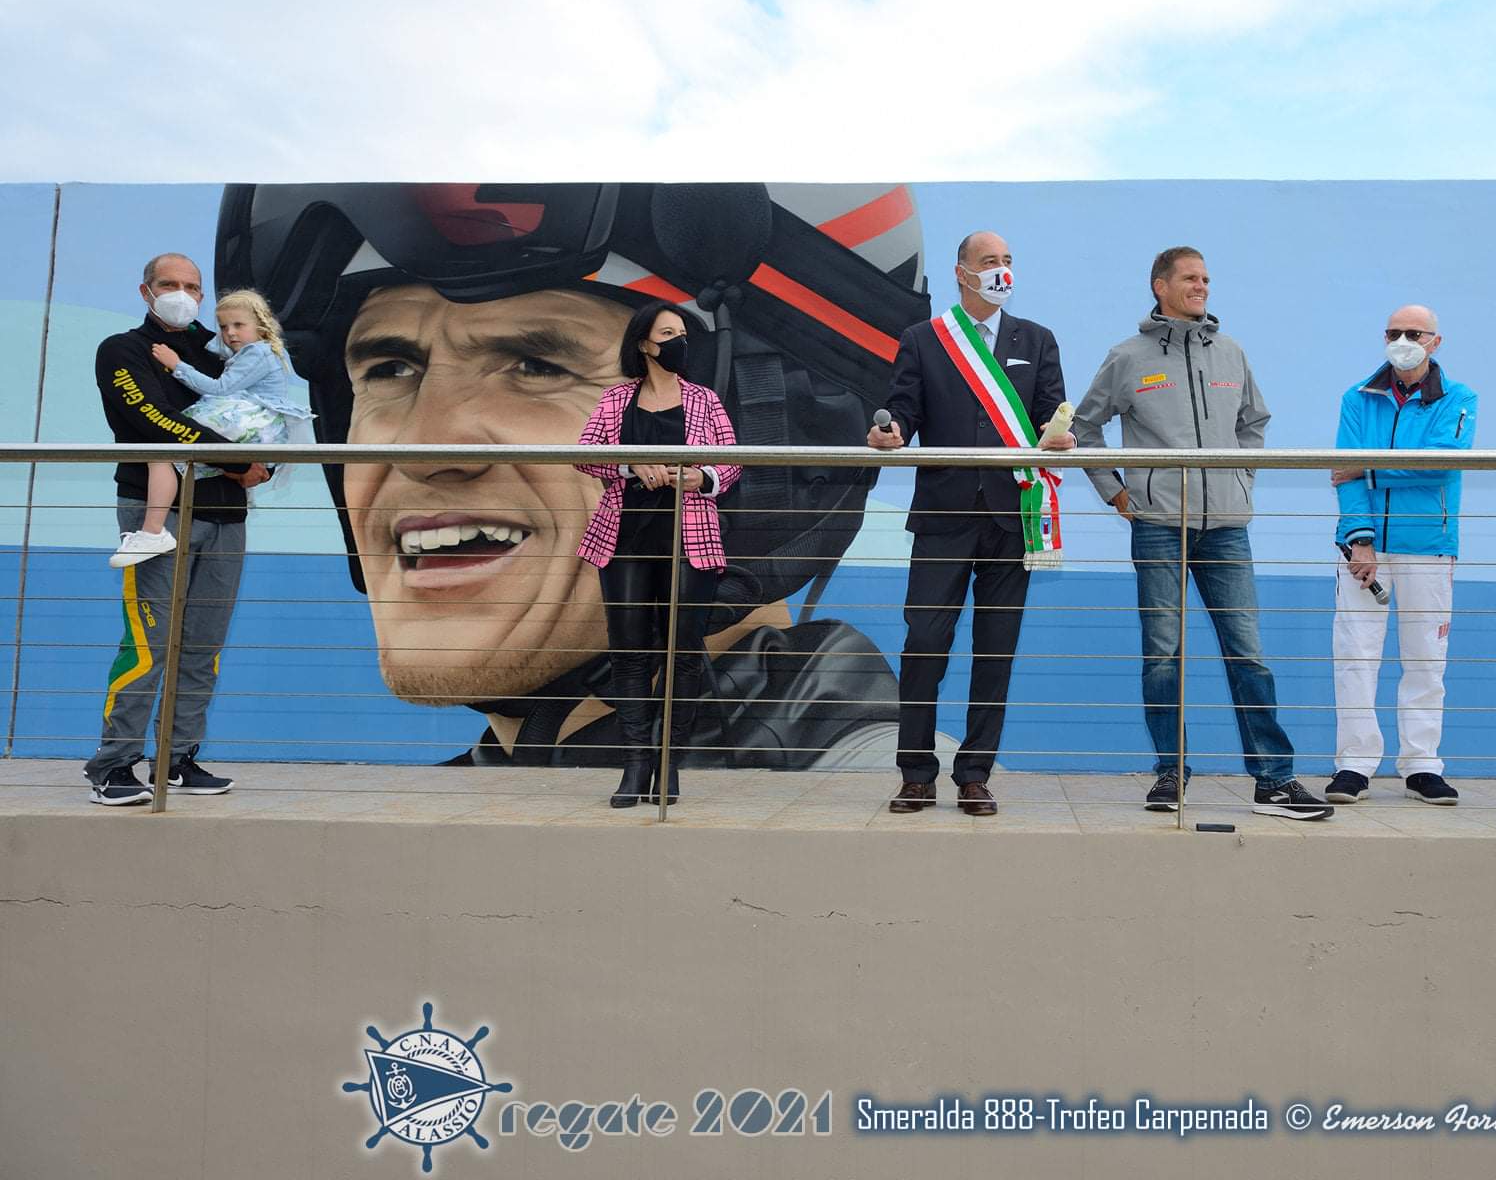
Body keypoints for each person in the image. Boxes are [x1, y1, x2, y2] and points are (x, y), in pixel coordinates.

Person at [219, 182, 931, 768]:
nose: (421, 449)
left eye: (536, 366)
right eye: (390, 369)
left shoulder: (865, 810)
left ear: (796, 442)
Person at [1072, 246, 1333, 820]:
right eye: (1191, 278)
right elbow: (1085, 428)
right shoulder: (1128, 357)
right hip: (1159, 526)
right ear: (1160, 286)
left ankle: (1274, 781)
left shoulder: (1231, 352)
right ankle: (1172, 772)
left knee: (1249, 655)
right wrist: (1114, 490)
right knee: (1163, 656)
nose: (1202, 287)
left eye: (1207, 279)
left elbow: (1254, 422)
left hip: (1227, 530)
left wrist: (1240, 478)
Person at [867, 231, 1070, 816]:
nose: (1001, 271)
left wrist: (1058, 436)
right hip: (943, 513)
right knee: (925, 641)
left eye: (1007, 261)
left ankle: (975, 773)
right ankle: (915, 773)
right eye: (989, 262)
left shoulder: (1037, 339)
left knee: (996, 649)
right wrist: (890, 431)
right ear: (962, 273)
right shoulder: (924, 339)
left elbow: (1049, 412)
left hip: (1012, 514)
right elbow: (904, 408)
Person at [85, 253, 269, 805]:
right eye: (169, 284)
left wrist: (266, 459)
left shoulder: (222, 349)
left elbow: (266, 406)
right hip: (155, 512)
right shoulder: (122, 350)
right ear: (146, 291)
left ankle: (177, 758)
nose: (181, 294)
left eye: (192, 286)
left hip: (226, 513)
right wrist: (238, 461)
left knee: (203, 647)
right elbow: (153, 422)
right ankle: (114, 766)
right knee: (149, 644)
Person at [577, 301, 742, 808]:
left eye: (682, 333)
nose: (679, 342)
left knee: (682, 654)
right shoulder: (616, 398)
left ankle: (668, 763)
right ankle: (635, 763)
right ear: (644, 344)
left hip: (690, 540)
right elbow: (585, 453)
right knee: (629, 653)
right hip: (626, 538)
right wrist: (631, 464)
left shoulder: (704, 399)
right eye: (667, 334)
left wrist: (702, 477)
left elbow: (733, 462)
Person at [1327, 305, 1477, 806]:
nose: (1403, 341)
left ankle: (1421, 764)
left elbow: (1440, 464)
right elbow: (1343, 472)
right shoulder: (1357, 397)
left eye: (1414, 333)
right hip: (1363, 547)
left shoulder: (1459, 398)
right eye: (1394, 332)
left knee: (1426, 660)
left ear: (1436, 341)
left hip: (1429, 546)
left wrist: (1367, 469)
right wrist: (1360, 538)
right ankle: (1353, 763)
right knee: (1354, 657)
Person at [114, 290, 313, 567]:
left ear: (261, 325)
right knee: (177, 459)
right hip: (254, 423)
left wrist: (177, 365)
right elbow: (210, 344)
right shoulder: (251, 350)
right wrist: (191, 328)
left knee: (163, 450)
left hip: (248, 419)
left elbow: (220, 388)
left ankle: (152, 531)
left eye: (238, 325)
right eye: (223, 326)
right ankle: (158, 527)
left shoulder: (257, 352)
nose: (230, 333)